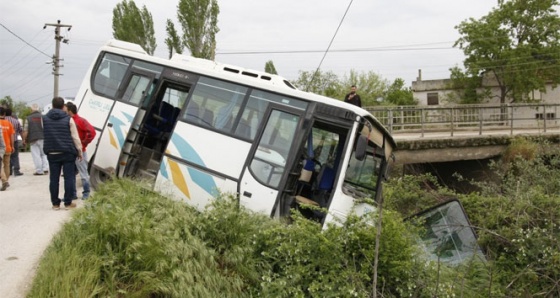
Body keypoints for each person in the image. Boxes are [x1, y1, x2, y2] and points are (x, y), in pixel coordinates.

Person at [42, 97, 83, 210]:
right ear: (63, 106)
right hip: (67, 152)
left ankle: (55, 204)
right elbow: (75, 137)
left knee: (54, 179)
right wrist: (79, 151)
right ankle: (68, 203)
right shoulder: (68, 119)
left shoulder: (44, 119)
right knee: (69, 177)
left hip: (52, 152)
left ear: (52, 105)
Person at [66, 102, 96, 199]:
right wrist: (84, 143)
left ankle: (82, 193)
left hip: (77, 151)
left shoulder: (76, 121)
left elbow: (92, 132)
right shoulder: (81, 120)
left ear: (69, 111)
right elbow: (91, 132)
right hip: (79, 150)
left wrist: (83, 143)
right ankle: (83, 193)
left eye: (65, 110)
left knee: (76, 173)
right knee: (80, 172)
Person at [24, 104, 49, 175]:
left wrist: (24, 139)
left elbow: (26, 130)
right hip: (43, 137)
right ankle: (45, 168)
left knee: (36, 155)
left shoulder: (28, 118)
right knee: (44, 154)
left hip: (33, 138)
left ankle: (39, 170)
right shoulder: (43, 117)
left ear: (31, 110)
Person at [0, 107, 15, 191]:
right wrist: (12, 146)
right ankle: (6, 180)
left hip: (0, 147)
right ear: (4, 114)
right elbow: (12, 135)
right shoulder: (9, 123)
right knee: (7, 165)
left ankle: (4, 181)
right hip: (8, 147)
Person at [6, 108, 23, 176]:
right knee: (15, 156)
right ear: (11, 113)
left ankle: (8, 170)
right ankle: (16, 171)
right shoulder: (16, 121)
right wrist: (23, 140)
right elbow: (20, 130)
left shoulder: (3, 121)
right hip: (15, 140)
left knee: (7, 156)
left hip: (5, 141)